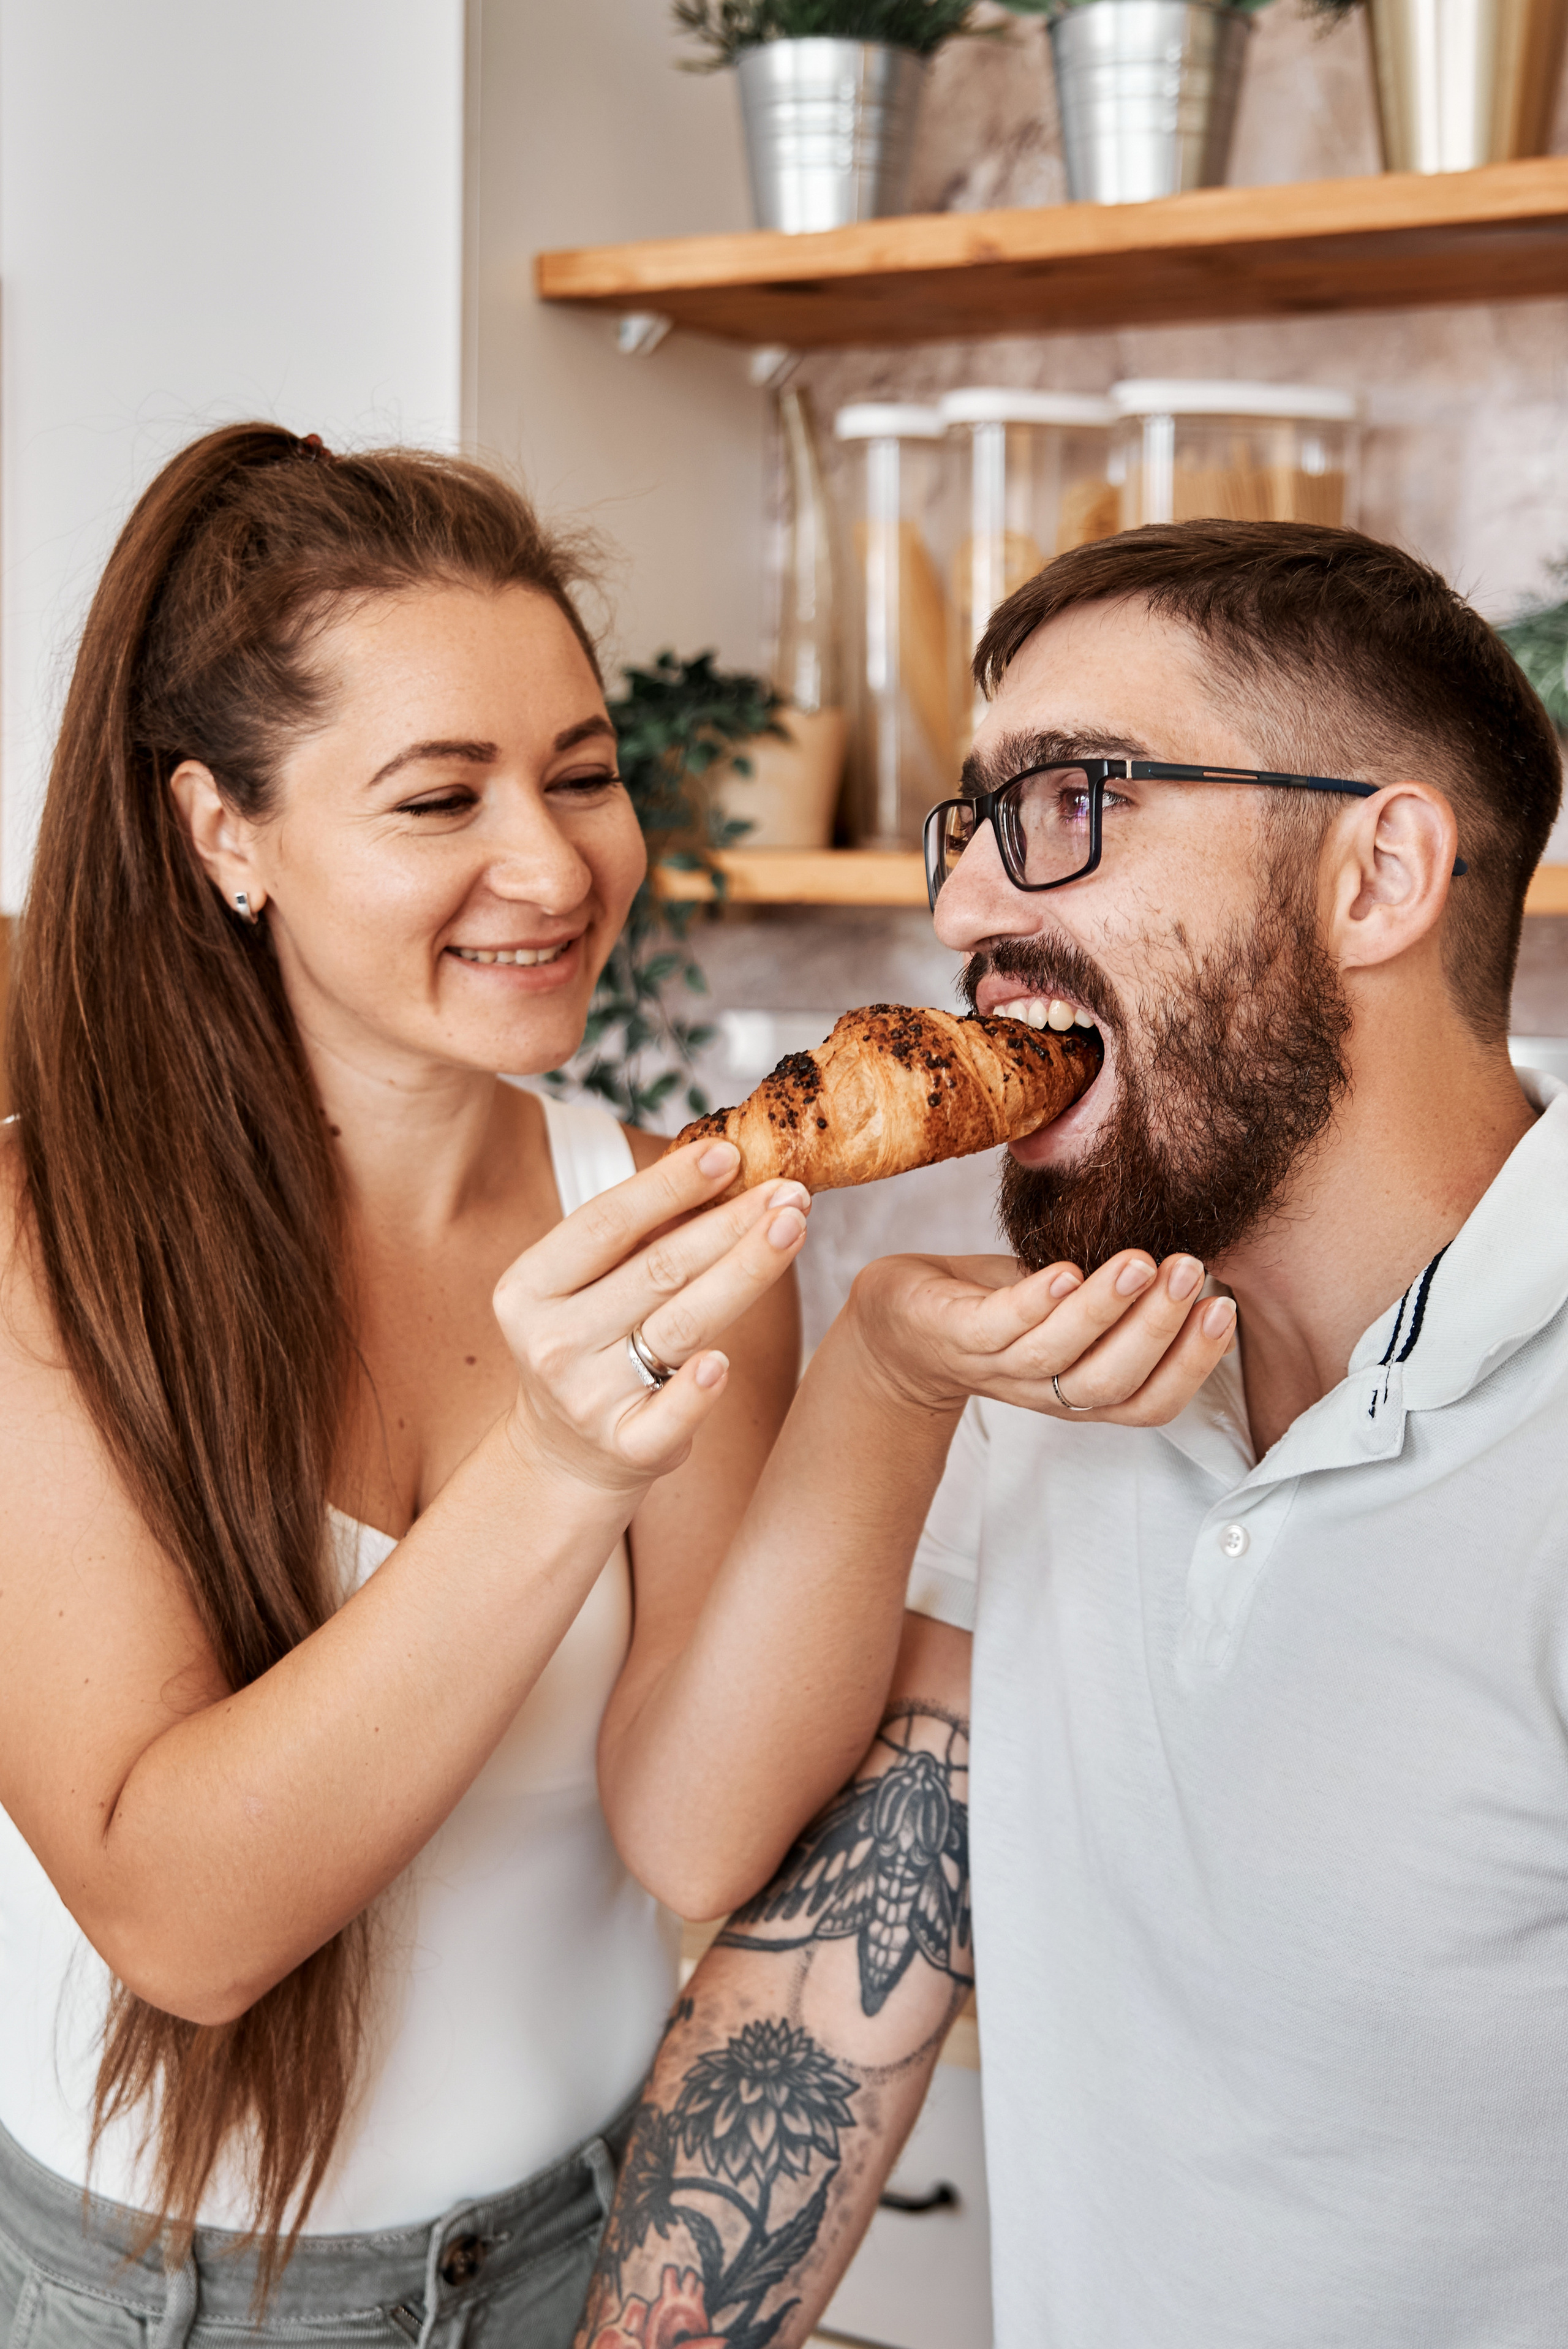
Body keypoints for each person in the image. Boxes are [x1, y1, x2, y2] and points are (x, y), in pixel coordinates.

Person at [576, 520, 1568, 2349]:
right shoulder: (1072, 1375)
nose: (962, 914)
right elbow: (807, 1980)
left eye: (1073, 799)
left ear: (1382, 872)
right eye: (976, 821)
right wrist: (885, 1357)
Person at [0, 420, 909, 2349]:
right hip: (154, 2304)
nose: (551, 861)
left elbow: (690, 1829)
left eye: (583, 775)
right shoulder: (42, 1241)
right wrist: (565, 1459)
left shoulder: (666, 1206)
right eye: (440, 797)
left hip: (582, 2252)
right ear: (218, 831)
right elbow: (182, 1916)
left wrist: (887, 1380)